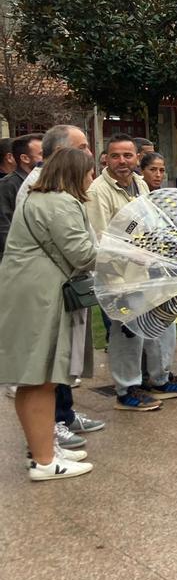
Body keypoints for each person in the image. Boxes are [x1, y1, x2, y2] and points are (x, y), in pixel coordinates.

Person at [0, 148, 96, 480]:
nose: (91, 178)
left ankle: (43, 450)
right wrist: (123, 250)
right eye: (88, 171)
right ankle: (44, 461)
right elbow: (82, 254)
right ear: (74, 172)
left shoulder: (41, 197)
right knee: (40, 379)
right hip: (40, 296)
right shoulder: (59, 202)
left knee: (33, 379)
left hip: (30, 292)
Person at [88, 136, 177, 410]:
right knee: (128, 334)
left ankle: (159, 380)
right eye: (116, 156)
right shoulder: (98, 191)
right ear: (106, 158)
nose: (122, 161)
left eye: (128, 155)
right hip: (122, 276)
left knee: (162, 324)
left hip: (152, 269)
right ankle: (127, 390)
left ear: (137, 157)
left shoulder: (139, 184)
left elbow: (153, 219)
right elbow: (102, 240)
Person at [0, 134, 43, 259]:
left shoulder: (44, 182)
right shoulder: (7, 186)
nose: (49, 159)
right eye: (42, 154)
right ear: (24, 158)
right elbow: (4, 229)